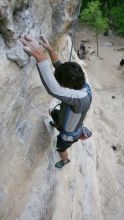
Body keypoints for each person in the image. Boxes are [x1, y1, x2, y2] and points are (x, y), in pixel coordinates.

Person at [20, 35, 92, 168]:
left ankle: (65, 160)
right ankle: (57, 123)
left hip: (69, 134)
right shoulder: (82, 84)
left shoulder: (80, 99)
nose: (61, 85)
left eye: (63, 84)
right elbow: (62, 69)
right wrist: (50, 50)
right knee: (55, 112)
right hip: (67, 119)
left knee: (61, 148)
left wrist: (40, 56)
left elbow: (54, 90)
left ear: (69, 87)